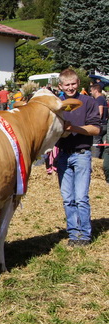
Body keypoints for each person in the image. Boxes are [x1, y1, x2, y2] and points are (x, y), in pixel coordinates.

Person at [55, 68, 101, 247]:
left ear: (78, 83)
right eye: (67, 85)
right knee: (68, 198)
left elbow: (96, 129)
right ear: (61, 86)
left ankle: (85, 235)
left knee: (81, 197)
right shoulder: (57, 104)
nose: (70, 87)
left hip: (82, 155)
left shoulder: (88, 102)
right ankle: (73, 234)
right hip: (63, 156)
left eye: (73, 84)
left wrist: (72, 128)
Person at [90, 83, 107, 158]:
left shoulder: (99, 99)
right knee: (104, 145)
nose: (90, 92)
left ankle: (95, 160)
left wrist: (95, 122)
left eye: (91, 91)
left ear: (95, 91)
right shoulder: (103, 98)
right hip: (105, 124)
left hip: (99, 124)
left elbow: (100, 112)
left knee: (95, 145)